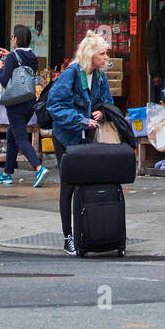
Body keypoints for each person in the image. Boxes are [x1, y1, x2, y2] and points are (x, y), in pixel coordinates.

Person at [46, 32, 114, 255]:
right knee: (68, 185)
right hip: (66, 136)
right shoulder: (72, 73)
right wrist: (82, 120)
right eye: (102, 54)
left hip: (87, 135)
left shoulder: (100, 76)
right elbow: (54, 106)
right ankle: (68, 237)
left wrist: (101, 113)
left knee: (84, 184)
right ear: (91, 55)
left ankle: (83, 232)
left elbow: (108, 103)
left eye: (106, 53)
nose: (106, 57)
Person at [0, 24, 49, 188]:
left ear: (16, 39)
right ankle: (7, 172)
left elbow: (4, 80)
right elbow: (21, 63)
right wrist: (10, 55)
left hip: (15, 103)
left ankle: (38, 167)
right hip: (29, 101)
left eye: (12, 37)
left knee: (20, 138)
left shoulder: (12, 58)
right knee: (12, 134)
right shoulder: (32, 56)